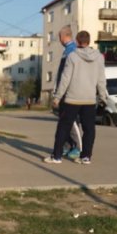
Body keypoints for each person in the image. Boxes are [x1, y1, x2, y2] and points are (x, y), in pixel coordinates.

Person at [44, 30, 107, 165]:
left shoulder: (72, 56)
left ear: (77, 41)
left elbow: (65, 78)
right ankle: (86, 157)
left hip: (72, 99)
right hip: (89, 99)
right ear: (89, 41)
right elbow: (101, 80)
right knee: (89, 129)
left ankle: (57, 157)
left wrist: (57, 97)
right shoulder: (99, 57)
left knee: (63, 128)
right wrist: (103, 97)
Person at [54, 25, 82, 159]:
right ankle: (67, 145)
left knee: (71, 122)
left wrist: (60, 93)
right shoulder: (67, 50)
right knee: (64, 121)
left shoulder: (72, 51)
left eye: (59, 37)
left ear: (63, 37)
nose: (59, 39)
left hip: (69, 93)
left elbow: (67, 75)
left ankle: (78, 147)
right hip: (64, 92)